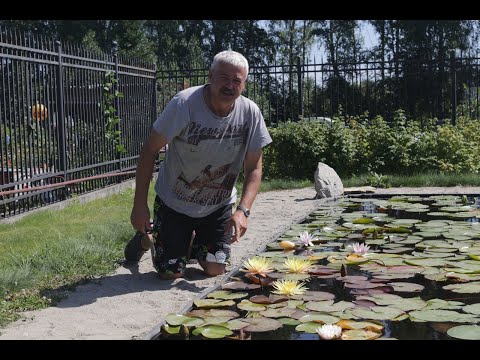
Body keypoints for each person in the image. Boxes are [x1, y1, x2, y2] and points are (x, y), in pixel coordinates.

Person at [125, 50, 272, 280]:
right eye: (224, 77)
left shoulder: (250, 113)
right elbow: (149, 151)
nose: (230, 85)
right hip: (174, 202)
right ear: (210, 75)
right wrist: (139, 205)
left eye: (237, 80)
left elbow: (254, 167)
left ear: (244, 84)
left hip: (217, 205)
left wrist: (243, 211)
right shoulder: (184, 104)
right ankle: (149, 238)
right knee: (170, 273)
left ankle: (187, 242)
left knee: (215, 270)